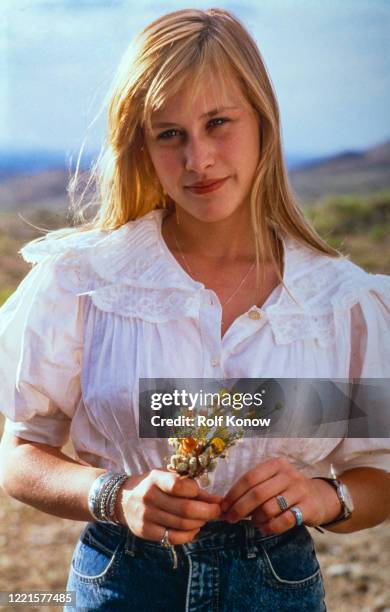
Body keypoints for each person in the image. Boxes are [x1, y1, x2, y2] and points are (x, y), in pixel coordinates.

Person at [0, 7, 389, 612]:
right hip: (121, 585)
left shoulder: (340, 303)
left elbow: (379, 475)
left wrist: (324, 498)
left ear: (263, 120)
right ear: (143, 146)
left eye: (218, 122)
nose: (197, 159)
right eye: (169, 133)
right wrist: (117, 494)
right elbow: (21, 456)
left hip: (278, 588)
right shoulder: (84, 283)